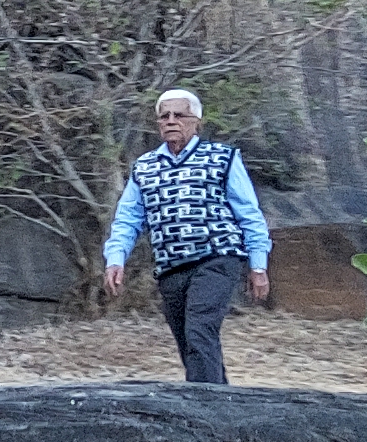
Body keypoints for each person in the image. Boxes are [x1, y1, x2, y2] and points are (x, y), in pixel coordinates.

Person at [100, 89, 273, 384]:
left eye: (179, 115)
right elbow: (128, 218)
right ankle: (222, 402)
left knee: (200, 327)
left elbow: (249, 213)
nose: (170, 121)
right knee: (188, 340)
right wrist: (116, 258)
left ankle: (202, 406)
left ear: (196, 121)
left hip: (217, 257)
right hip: (171, 266)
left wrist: (258, 265)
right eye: (164, 116)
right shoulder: (145, 167)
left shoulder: (223, 158)